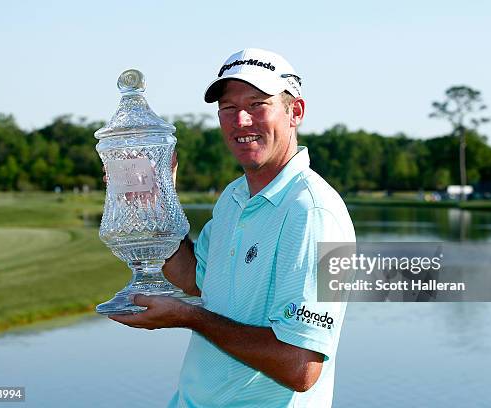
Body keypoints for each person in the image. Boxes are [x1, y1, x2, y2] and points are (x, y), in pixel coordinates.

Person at [110, 48, 356, 407]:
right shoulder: (234, 196)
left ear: (295, 112)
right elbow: (196, 278)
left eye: (257, 104)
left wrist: (190, 317)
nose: (241, 120)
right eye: (228, 108)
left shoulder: (317, 214)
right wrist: (158, 199)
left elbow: (301, 367)